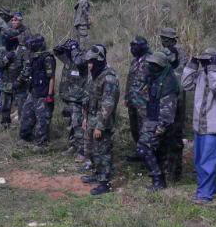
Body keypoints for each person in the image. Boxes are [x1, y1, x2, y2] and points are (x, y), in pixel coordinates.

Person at [181, 48, 216, 203]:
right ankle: (204, 190)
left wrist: (213, 68)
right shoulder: (202, 74)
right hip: (199, 125)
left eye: (207, 61)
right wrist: (192, 65)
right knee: (199, 160)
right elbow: (185, 84)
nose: (205, 64)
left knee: (208, 161)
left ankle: (205, 195)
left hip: (212, 126)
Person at [136, 51, 179, 191]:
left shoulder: (168, 83)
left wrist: (159, 130)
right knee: (154, 150)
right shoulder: (154, 77)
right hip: (151, 119)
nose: (150, 67)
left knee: (143, 147)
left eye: (154, 65)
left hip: (162, 123)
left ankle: (158, 180)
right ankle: (160, 178)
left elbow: (168, 111)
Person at [81, 44, 120, 196]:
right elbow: (89, 98)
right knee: (91, 149)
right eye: (88, 62)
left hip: (101, 121)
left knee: (102, 151)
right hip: (91, 118)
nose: (89, 65)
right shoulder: (95, 75)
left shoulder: (108, 78)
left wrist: (100, 126)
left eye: (92, 62)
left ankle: (105, 183)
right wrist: (85, 118)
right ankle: (97, 174)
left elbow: (108, 104)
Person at [18, 35, 56, 147]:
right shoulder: (33, 57)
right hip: (33, 92)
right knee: (26, 115)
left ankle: (41, 144)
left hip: (43, 94)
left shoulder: (47, 58)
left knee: (42, 120)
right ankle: (26, 138)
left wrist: (49, 95)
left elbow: (52, 78)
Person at [160, 28, 188, 181]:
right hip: (177, 94)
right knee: (175, 133)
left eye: (164, 39)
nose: (162, 41)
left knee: (172, 133)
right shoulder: (180, 51)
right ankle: (174, 170)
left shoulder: (172, 51)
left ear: (169, 40)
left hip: (174, 95)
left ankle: (173, 171)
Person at [54, 38, 89, 158]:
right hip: (69, 98)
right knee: (72, 125)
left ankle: (82, 151)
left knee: (78, 124)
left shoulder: (82, 59)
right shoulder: (69, 61)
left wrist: (74, 49)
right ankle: (73, 146)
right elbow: (57, 52)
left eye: (70, 50)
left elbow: (79, 62)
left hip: (78, 99)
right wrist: (62, 48)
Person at [124, 36, 151, 161]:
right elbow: (129, 79)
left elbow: (153, 81)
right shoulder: (135, 61)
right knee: (134, 128)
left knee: (144, 129)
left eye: (135, 45)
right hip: (132, 101)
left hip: (144, 103)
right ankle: (139, 152)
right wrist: (126, 96)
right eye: (132, 45)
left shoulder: (151, 60)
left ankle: (147, 155)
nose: (133, 48)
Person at [0, 32, 25, 128]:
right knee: (6, 104)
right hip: (7, 82)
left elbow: (27, 67)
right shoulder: (3, 50)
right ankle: (5, 123)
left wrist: (19, 80)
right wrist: (6, 58)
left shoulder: (22, 50)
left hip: (20, 83)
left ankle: (23, 124)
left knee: (22, 105)